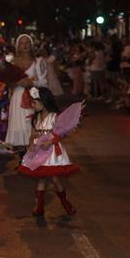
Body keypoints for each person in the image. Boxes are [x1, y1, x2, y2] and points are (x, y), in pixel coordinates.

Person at [19, 87, 78, 216]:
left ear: (44, 101)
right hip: (39, 152)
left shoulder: (55, 117)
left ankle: (65, 202)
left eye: (34, 102)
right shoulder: (36, 118)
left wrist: (51, 141)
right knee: (41, 179)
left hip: (51, 153)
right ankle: (39, 206)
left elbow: (63, 134)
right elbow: (33, 135)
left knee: (55, 179)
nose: (32, 105)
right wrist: (30, 145)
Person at [5, 35, 49, 148]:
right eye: (22, 43)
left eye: (27, 43)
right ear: (17, 46)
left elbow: (44, 82)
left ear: (31, 45)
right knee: (18, 126)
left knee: (31, 125)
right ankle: (20, 156)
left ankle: (33, 153)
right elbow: (7, 82)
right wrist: (14, 83)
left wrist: (31, 83)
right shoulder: (12, 62)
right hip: (17, 98)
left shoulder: (38, 62)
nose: (24, 45)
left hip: (33, 98)